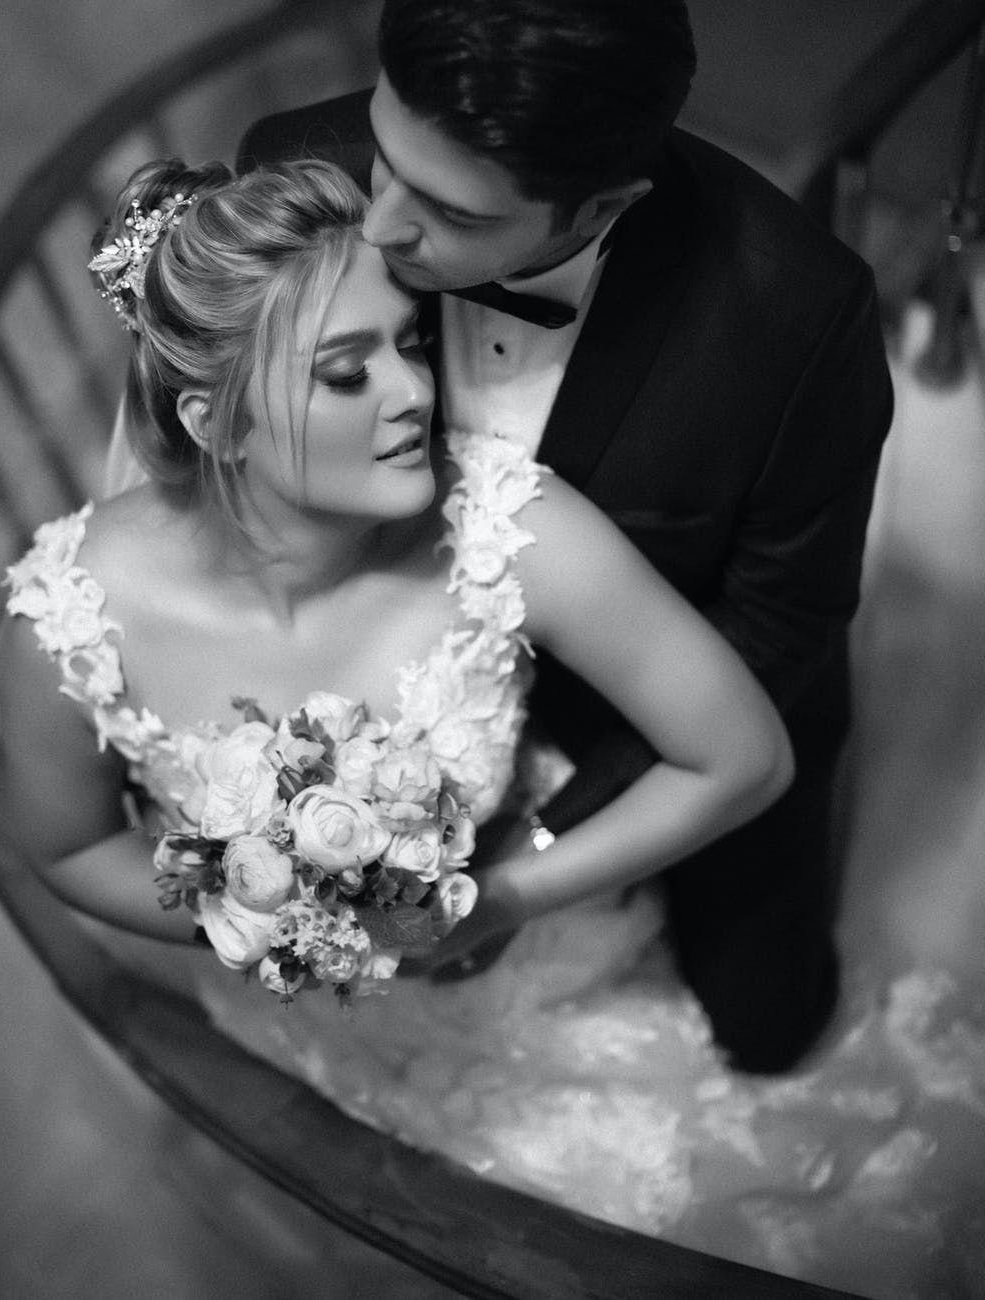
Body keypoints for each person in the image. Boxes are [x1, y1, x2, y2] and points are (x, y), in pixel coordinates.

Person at [232, 0, 896, 1074]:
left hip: (665, 708)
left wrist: (539, 844)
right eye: (385, 151)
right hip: (395, 666)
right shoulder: (299, 168)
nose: (378, 226)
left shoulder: (792, 317)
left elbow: (786, 622)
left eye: (446, 211)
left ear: (602, 206)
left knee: (771, 1034)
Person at [0, 155, 789, 978]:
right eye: (347, 373)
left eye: (409, 342)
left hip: (524, 966)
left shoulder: (507, 531)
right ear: (217, 425)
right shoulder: (74, 621)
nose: (413, 389)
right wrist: (270, 935)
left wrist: (501, 904)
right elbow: (70, 850)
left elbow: (744, 758)